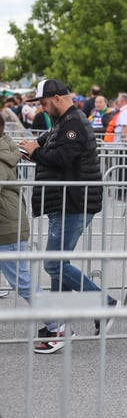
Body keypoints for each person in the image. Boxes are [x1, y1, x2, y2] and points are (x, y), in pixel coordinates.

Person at [18, 79, 119, 345]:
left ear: (57, 99)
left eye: (43, 103)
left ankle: (104, 304)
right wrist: (27, 149)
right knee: (57, 266)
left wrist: (35, 151)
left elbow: (59, 159)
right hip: (63, 203)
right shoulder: (62, 123)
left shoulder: (72, 124)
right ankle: (59, 326)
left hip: (74, 203)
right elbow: (41, 149)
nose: (41, 108)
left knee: (54, 264)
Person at [0, 116, 68, 353]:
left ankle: (57, 324)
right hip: (10, 224)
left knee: (22, 281)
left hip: (7, 229)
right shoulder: (6, 147)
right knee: (22, 280)